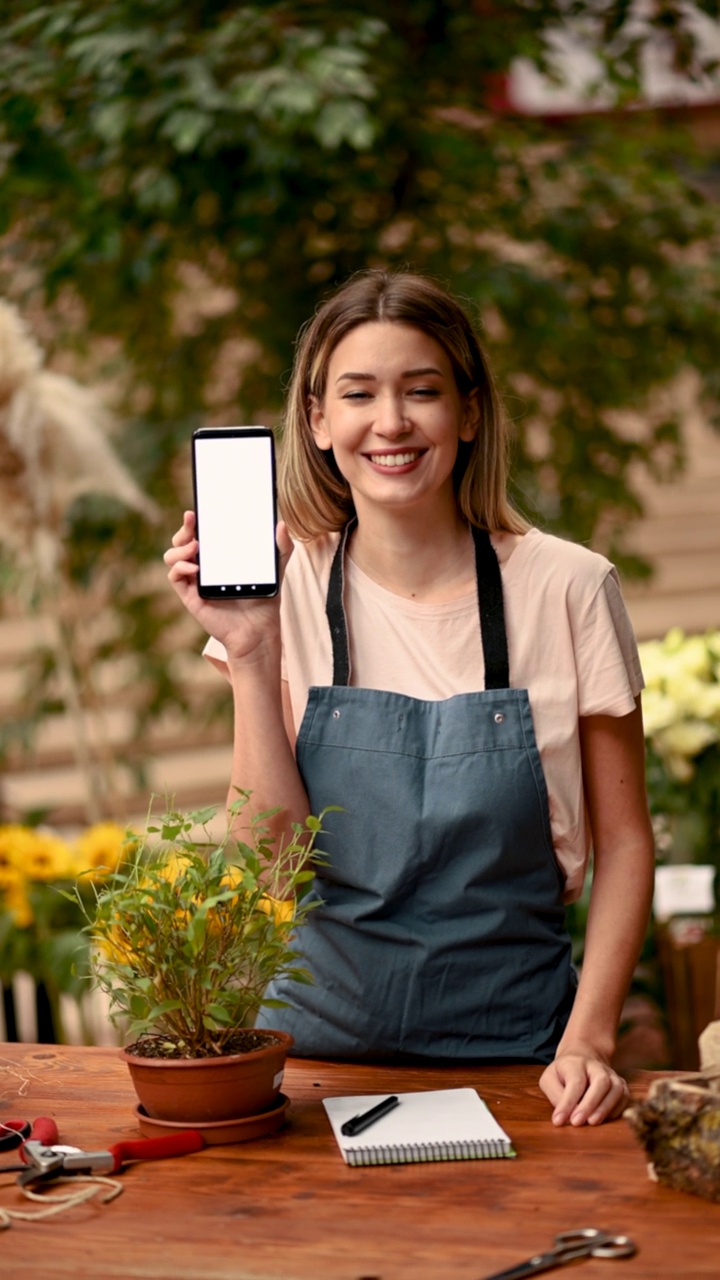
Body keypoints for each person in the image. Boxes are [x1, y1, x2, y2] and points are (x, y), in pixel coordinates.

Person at [165, 269, 655, 1126]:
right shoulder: (284, 591)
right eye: (359, 394)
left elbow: (624, 845)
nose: (390, 422)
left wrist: (591, 1041)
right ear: (318, 421)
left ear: (469, 412)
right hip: (308, 1074)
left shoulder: (569, 587)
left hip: (523, 1065)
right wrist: (251, 650)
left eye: (420, 391)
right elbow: (272, 873)